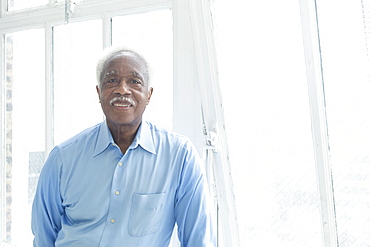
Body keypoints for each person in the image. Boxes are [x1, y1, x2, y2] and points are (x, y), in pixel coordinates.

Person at [31, 46, 216, 247]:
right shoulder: (62, 158)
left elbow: (199, 240)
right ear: (99, 92)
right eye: (112, 80)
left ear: (149, 94)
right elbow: (44, 237)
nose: (122, 89)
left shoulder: (180, 156)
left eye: (134, 81)